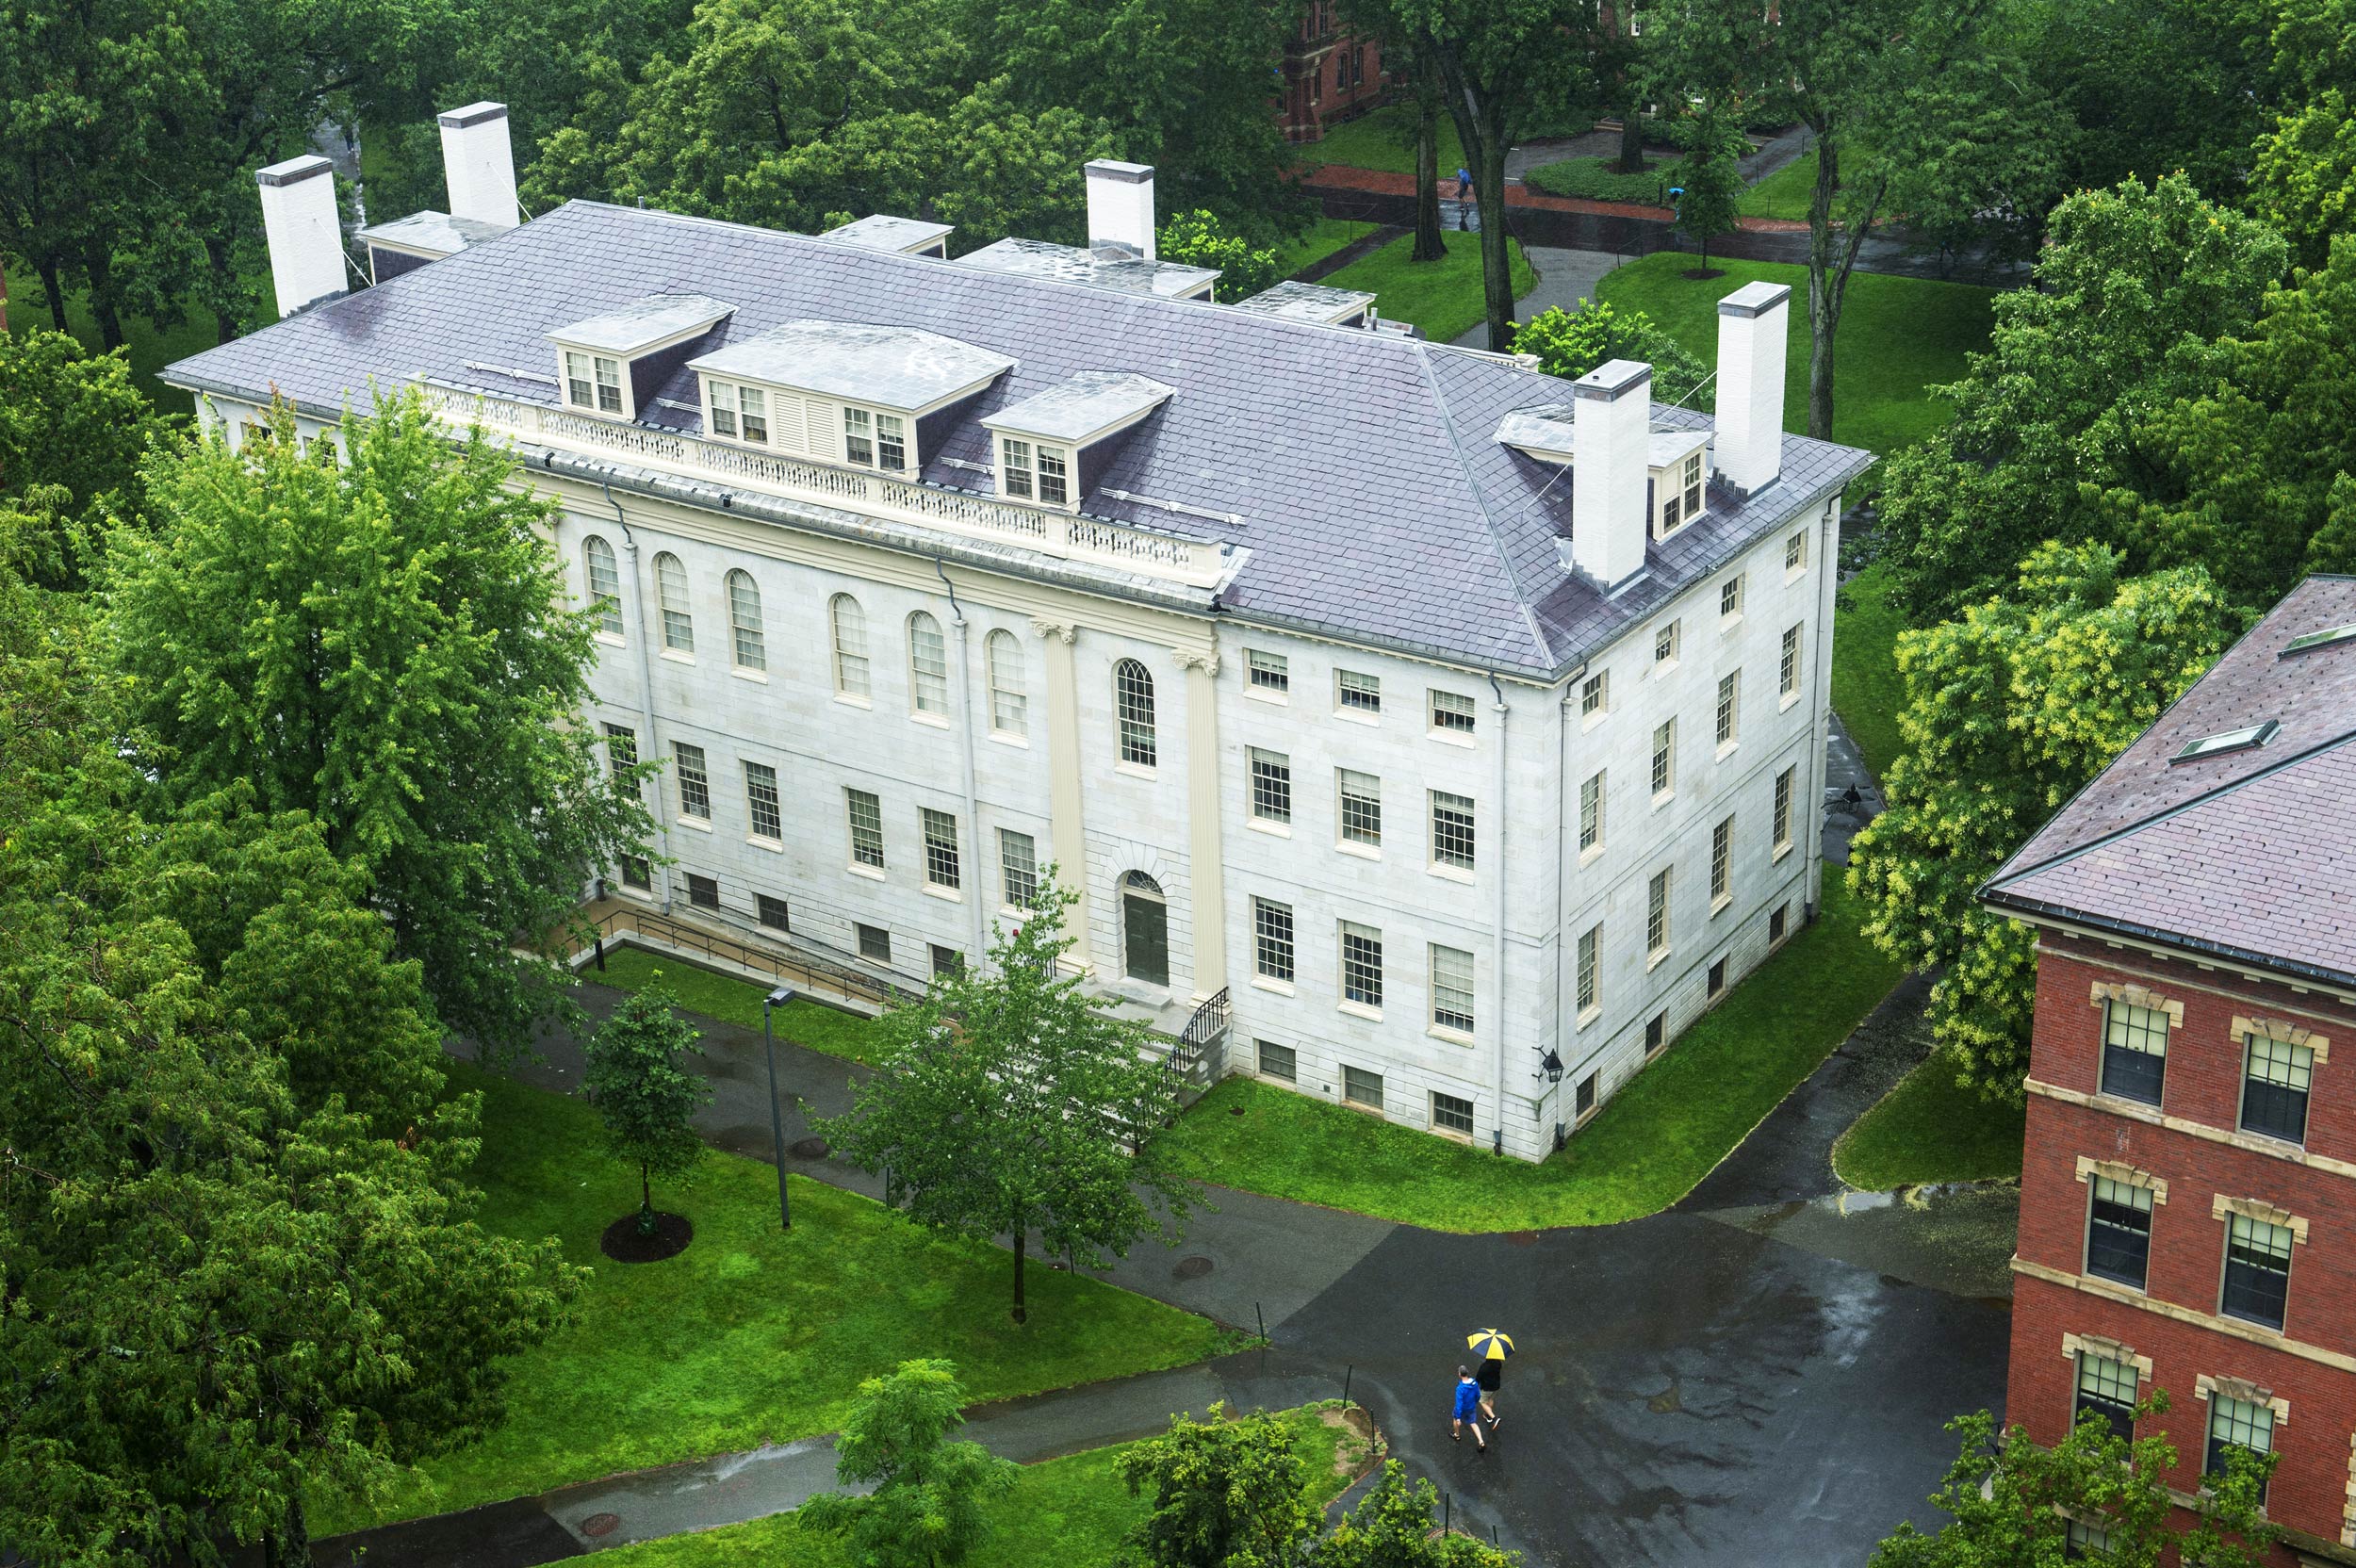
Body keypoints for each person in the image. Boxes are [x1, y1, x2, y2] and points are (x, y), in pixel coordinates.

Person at [1451, 1365, 1486, 1450]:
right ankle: (1481, 1441)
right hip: (1471, 1407)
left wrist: (1458, 1418)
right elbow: (1478, 1395)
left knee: (1455, 1419)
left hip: (1463, 1409)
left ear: (1459, 1374)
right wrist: (1474, 1402)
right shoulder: (1474, 1383)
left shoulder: (1460, 1389)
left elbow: (1459, 1403)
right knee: (1473, 1423)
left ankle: (1457, 1435)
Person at [1476, 1353, 1503, 1429]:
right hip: (1496, 1386)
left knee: (1482, 1402)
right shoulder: (1498, 1363)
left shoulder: (1484, 1367)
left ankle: (1494, 1418)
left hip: (1487, 1388)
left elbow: (1478, 1378)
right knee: (1490, 1399)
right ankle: (1487, 1415)